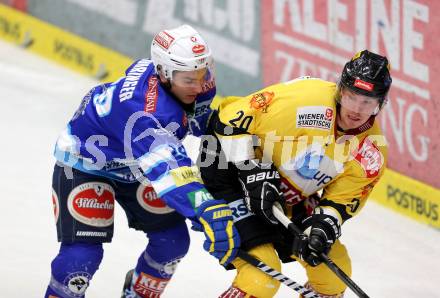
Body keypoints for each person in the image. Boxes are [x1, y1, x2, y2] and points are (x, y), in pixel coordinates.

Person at [45, 24, 240, 298]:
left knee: (172, 243)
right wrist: (204, 206)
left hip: (135, 163)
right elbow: (169, 169)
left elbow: (198, 122)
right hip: (85, 163)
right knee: (80, 257)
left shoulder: (190, 78)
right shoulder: (143, 113)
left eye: (203, 72)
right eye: (189, 80)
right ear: (163, 73)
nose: (199, 85)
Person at [199, 50, 392, 297]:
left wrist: (322, 227)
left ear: (380, 103)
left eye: (367, 101)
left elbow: (339, 203)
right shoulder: (303, 100)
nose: (356, 109)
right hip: (229, 176)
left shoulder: (372, 151)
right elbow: (227, 120)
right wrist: (252, 170)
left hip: (285, 197)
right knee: (262, 277)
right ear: (340, 90)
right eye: (352, 96)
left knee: (333, 275)